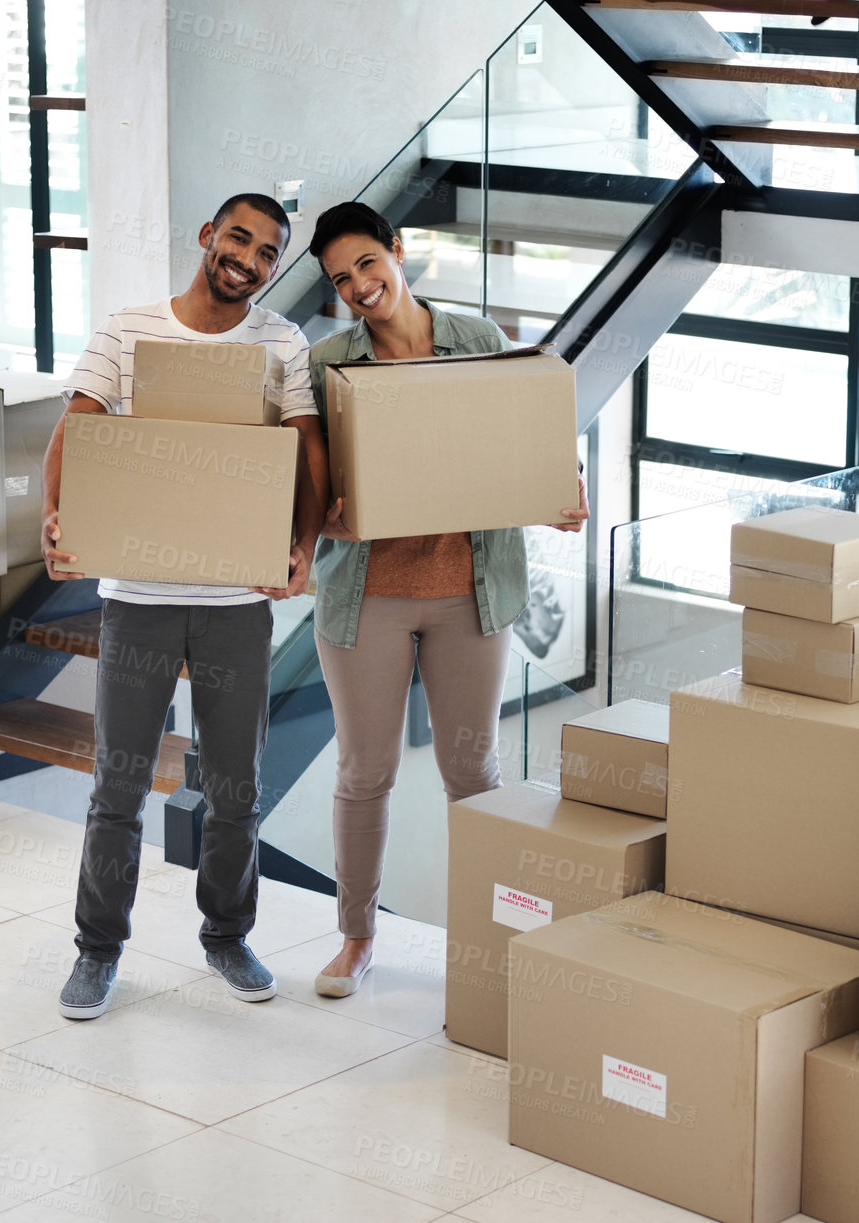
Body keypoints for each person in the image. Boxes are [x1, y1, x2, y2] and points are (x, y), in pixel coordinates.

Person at [41, 193, 329, 1019]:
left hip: (238, 600)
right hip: (138, 597)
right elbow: (77, 427)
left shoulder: (282, 342)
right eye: (238, 237)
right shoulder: (130, 330)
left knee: (236, 787)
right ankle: (97, 951)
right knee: (118, 787)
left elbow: (308, 449)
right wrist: (54, 523)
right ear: (207, 236)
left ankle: (227, 934)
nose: (249, 257)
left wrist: (304, 547)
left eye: (268, 251)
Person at [305, 201, 587, 997]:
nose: (360, 285)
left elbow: (521, 444)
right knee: (366, 772)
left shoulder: (479, 340)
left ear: (396, 252)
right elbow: (312, 490)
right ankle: (356, 938)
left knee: (473, 772)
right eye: (340, 278)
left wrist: (559, 488)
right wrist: (327, 520)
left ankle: (491, 939)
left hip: (471, 594)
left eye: (367, 263)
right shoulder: (328, 361)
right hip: (368, 600)